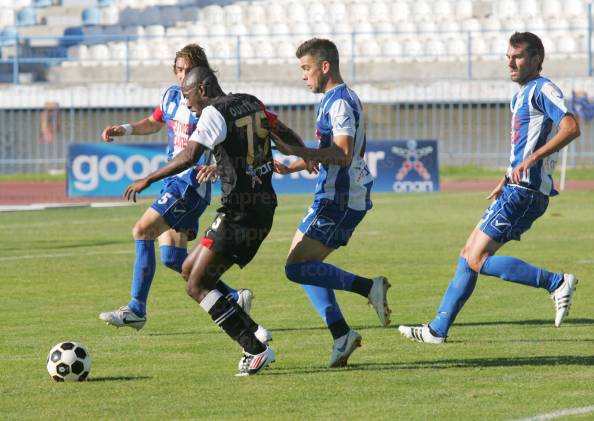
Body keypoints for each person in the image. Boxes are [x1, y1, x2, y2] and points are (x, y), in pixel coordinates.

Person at [122, 66, 307, 376]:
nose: (188, 102)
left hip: (240, 213)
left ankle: (254, 348)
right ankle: (253, 330)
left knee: (196, 285)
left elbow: (190, 155)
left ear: (203, 90)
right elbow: (282, 130)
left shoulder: (212, 112)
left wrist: (150, 178)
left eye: (188, 95)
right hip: (260, 207)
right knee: (187, 268)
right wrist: (304, 153)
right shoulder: (251, 101)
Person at [398, 32, 581, 344]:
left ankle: (555, 282)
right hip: (517, 187)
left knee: (476, 257)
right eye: (508, 56)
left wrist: (533, 160)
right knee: (468, 254)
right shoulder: (521, 94)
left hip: (525, 192)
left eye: (518, 56)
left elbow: (571, 126)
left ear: (536, 59)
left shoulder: (542, 89)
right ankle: (437, 330)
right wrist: (507, 176)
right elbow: (524, 146)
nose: (510, 62)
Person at [98, 44, 260, 337]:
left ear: (202, 73)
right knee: (174, 258)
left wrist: (216, 167)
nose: (182, 75)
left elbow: (222, 139)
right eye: (179, 69)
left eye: (188, 70)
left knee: (141, 230)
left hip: (189, 183)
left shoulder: (208, 103)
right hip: (175, 181)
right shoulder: (173, 97)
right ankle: (234, 298)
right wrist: (125, 129)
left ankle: (136, 309)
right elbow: (153, 122)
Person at [271, 38, 391, 368]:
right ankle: (341, 335)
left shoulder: (339, 103)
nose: (303, 76)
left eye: (306, 68)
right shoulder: (330, 100)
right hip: (330, 193)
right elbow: (329, 151)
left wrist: (299, 152)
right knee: (304, 266)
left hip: (340, 197)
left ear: (325, 67)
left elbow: (342, 152)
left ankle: (368, 288)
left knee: (296, 268)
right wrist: (295, 163)